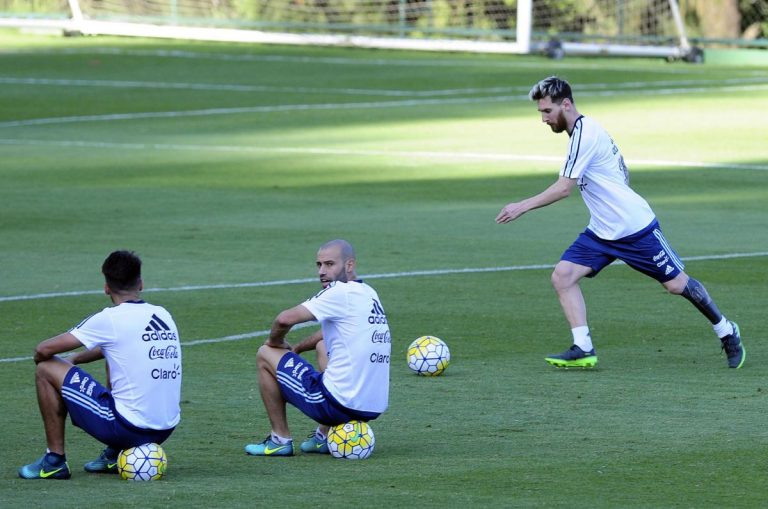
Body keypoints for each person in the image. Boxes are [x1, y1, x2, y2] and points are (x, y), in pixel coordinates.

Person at [495, 76, 744, 369]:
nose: (544, 119)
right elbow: (622, 168)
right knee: (563, 276)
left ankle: (726, 330)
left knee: (677, 285)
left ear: (565, 105)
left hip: (635, 229)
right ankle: (583, 347)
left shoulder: (585, 134)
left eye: (547, 111)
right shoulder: (587, 131)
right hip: (602, 231)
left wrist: (521, 206)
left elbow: (564, 188)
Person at [18, 250, 182, 479]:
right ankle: (113, 455)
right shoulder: (163, 315)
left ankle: (53, 461)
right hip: (164, 429)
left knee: (46, 368)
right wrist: (75, 359)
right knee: (115, 357)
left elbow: (42, 350)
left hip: (129, 428)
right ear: (141, 283)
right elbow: (118, 346)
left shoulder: (109, 319)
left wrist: (55, 363)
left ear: (106, 287)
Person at [245, 239, 391, 456]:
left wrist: (275, 344)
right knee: (323, 346)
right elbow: (330, 333)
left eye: (330, 264)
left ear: (349, 265)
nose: (322, 271)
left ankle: (279, 440)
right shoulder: (368, 293)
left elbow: (284, 320)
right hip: (371, 405)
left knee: (265, 354)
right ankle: (323, 437)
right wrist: (298, 348)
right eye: (319, 265)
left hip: (338, 404)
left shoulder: (339, 292)